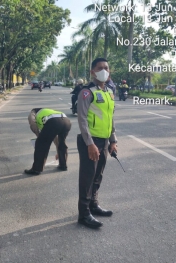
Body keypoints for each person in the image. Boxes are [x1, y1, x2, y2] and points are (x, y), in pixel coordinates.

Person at [76, 58, 118, 229]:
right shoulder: (87, 92)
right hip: (90, 142)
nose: (104, 70)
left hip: (105, 140)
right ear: (92, 72)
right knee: (87, 178)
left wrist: (113, 140)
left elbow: (110, 118)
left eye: (106, 68)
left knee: (98, 175)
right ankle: (84, 214)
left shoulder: (109, 92)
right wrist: (90, 144)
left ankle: (94, 204)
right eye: (100, 68)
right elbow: (82, 119)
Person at [24, 108, 71, 175]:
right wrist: (58, 151)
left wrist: (39, 136)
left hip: (54, 122)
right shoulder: (48, 112)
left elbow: (33, 124)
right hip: (66, 121)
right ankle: (63, 165)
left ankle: (36, 169)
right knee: (62, 143)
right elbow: (54, 135)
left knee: (41, 144)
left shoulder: (32, 113)